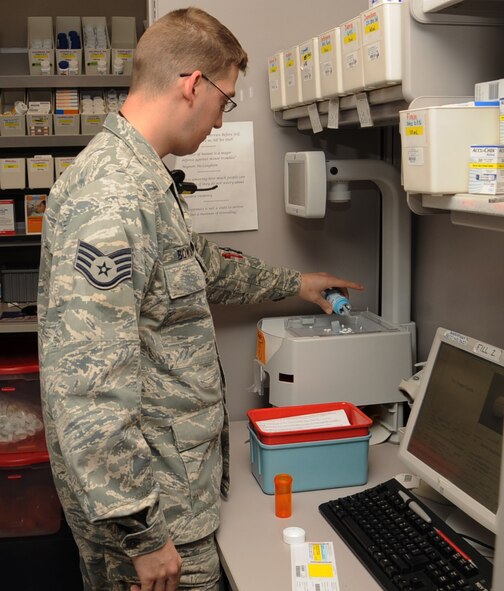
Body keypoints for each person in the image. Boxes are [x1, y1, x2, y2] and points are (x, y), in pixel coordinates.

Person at [37, 7, 363, 591]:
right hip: (152, 516)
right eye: (226, 100)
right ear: (193, 85)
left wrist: (296, 284)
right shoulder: (112, 197)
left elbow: (199, 268)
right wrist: (140, 533)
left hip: (171, 491)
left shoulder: (143, 181)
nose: (219, 120)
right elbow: (86, 389)